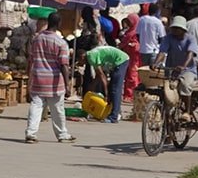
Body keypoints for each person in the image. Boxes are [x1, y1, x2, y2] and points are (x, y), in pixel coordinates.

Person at [24, 12, 75, 144]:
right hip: (54, 81)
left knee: (36, 106)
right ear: (58, 24)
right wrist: (67, 84)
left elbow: (31, 60)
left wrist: (29, 77)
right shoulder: (61, 43)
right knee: (57, 109)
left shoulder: (36, 39)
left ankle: (31, 133)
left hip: (38, 78)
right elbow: (64, 65)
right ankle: (62, 134)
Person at [154, 16, 198, 98]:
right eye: (173, 28)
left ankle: (187, 109)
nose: (174, 30)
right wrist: (155, 63)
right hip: (171, 69)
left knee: (185, 86)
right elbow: (162, 52)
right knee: (164, 87)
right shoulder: (168, 38)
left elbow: (191, 53)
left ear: (183, 29)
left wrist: (183, 66)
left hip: (187, 70)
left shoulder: (190, 39)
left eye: (177, 28)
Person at [85, 43, 130, 123]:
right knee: (112, 86)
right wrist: (91, 89)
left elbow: (102, 76)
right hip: (118, 61)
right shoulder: (91, 54)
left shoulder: (91, 57)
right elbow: (98, 76)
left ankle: (114, 117)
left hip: (121, 61)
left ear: (81, 57)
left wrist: (106, 94)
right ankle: (115, 111)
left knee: (115, 89)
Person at [119, 12, 142, 103]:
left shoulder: (135, 33)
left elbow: (137, 45)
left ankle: (131, 95)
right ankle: (128, 94)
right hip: (129, 56)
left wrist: (130, 45)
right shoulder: (130, 31)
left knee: (132, 76)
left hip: (134, 57)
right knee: (129, 75)